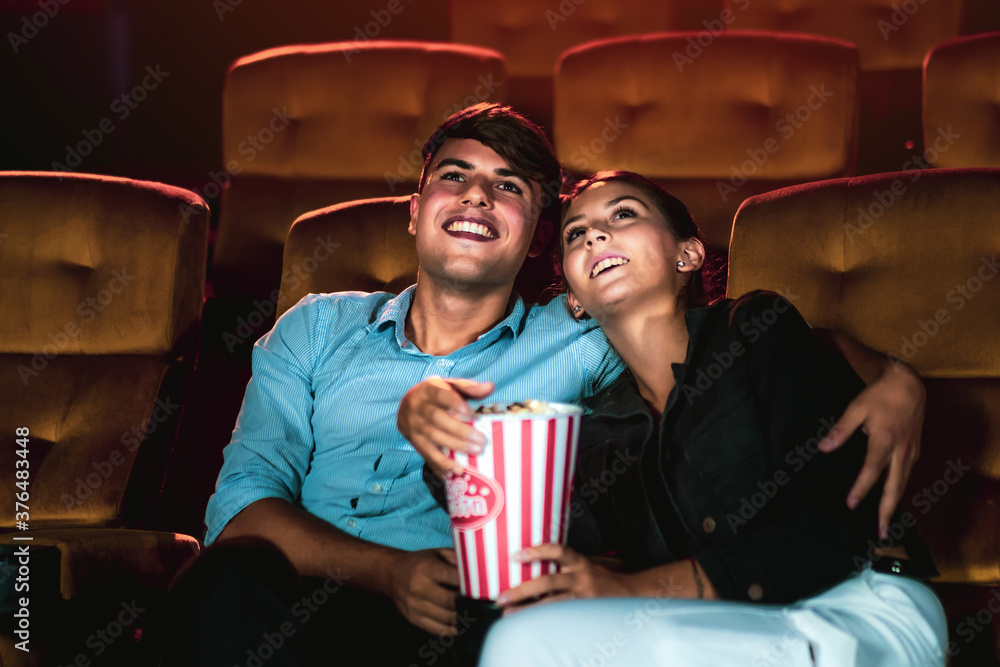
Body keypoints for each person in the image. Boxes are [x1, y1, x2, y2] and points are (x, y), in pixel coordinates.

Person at [163, 104, 926, 666]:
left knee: (517, 634)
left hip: (465, 621)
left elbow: (745, 344)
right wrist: (399, 546)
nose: (475, 196)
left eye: (509, 188)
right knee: (226, 581)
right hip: (296, 598)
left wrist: (892, 372)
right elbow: (241, 506)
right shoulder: (317, 326)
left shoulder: (589, 337)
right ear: (415, 210)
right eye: (453, 177)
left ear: (535, 245)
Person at [469, 171, 947, 666]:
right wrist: (449, 438)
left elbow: (834, 528)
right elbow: (538, 536)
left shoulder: (756, 330)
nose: (594, 234)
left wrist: (632, 589)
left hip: (858, 608)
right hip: (717, 625)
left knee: (526, 643)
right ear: (573, 298)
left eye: (624, 214)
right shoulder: (600, 430)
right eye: (575, 233)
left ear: (688, 255)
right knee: (524, 629)